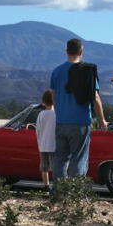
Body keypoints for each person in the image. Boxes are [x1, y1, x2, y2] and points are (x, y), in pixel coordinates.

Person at [51, 38, 108, 182]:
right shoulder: (86, 72)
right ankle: (75, 194)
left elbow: (54, 97)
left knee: (60, 160)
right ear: (81, 51)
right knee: (79, 159)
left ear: (66, 51)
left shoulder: (56, 71)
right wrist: (102, 119)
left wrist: (60, 114)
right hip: (80, 122)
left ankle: (60, 192)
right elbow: (95, 98)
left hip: (61, 122)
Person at [35, 90, 56, 192]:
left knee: (44, 167)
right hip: (53, 145)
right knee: (55, 168)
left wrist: (39, 142)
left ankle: (46, 186)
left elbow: (38, 130)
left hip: (43, 145)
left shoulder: (41, 114)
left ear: (44, 101)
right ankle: (57, 186)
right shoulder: (56, 114)